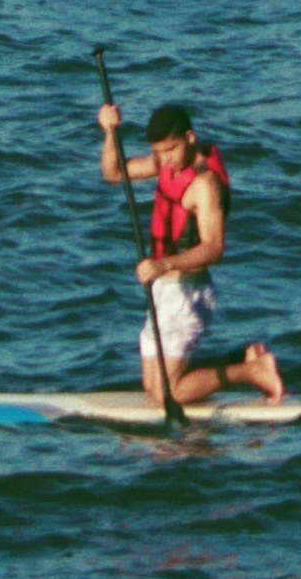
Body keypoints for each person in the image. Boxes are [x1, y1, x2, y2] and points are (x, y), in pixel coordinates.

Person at [96, 92, 285, 404]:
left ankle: (254, 372)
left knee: (164, 394)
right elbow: (114, 173)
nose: (166, 158)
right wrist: (110, 132)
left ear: (190, 137)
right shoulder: (166, 162)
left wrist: (163, 265)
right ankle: (244, 359)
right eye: (159, 152)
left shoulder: (204, 185)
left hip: (189, 293)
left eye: (171, 149)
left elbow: (215, 248)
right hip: (162, 290)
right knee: (153, 385)